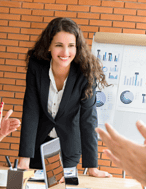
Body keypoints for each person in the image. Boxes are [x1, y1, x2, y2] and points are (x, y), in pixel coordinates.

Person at [17, 17, 110, 177]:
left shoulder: (86, 73)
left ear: (77, 47)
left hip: (68, 145)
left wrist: (92, 166)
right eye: (59, 45)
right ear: (48, 46)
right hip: (39, 143)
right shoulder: (36, 67)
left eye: (71, 46)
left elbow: (88, 119)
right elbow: (31, 110)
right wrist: (25, 157)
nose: (65, 53)